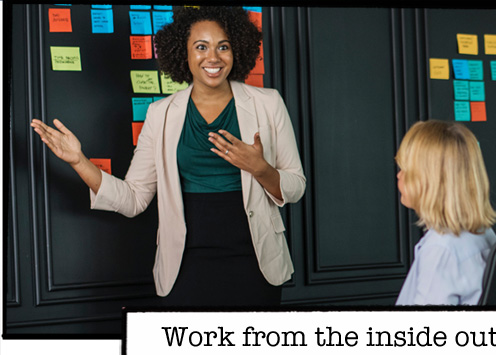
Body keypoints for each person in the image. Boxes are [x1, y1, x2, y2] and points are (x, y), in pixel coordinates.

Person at [30, 6, 305, 307]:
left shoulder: (268, 103)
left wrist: (261, 169)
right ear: (183, 53)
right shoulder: (160, 114)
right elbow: (134, 198)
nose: (213, 57)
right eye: (201, 47)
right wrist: (78, 161)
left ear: (236, 49)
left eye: (223, 46)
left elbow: (296, 185)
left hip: (256, 262)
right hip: (185, 264)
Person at [394, 120, 496, 305]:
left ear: (429, 181)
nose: (399, 175)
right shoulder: (483, 233)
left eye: (405, 170)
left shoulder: (441, 250)